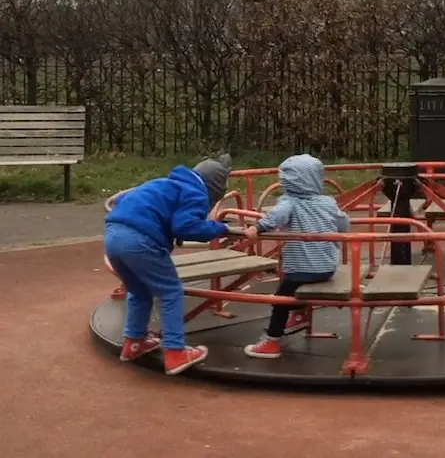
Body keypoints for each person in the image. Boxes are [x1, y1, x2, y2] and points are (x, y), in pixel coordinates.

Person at [104, 154, 233, 375]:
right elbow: (187, 226)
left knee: (139, 290)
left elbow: (127, 202)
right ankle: (175, 352)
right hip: (140, 240)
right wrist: (221, 229)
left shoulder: (163, 183)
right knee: (170, 291)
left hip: (112, 236)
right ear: (214, 188)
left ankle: (133, 342)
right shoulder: (195, 193)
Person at [242, 154, 350, 359]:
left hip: (301, 269)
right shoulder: (328, 202)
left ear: (288, 181)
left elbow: (274, 218)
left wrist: (257, 228)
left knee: (281, 300)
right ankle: (299, 314)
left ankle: (272, 341)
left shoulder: (290, 203)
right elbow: (343, 223)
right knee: (293, 289)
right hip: (326, 268)